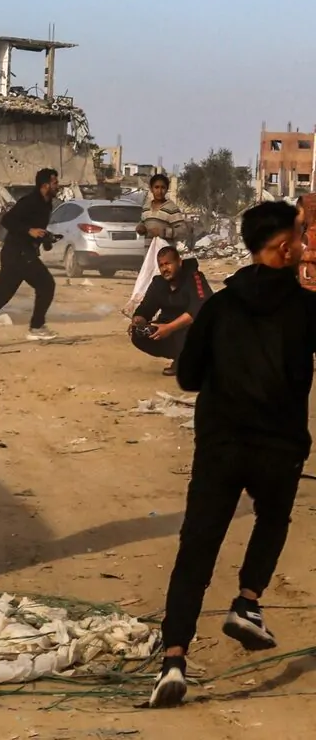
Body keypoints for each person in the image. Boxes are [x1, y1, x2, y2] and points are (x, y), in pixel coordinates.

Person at [149, 201, 316, 709]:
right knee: (272, 519)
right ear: (284, 248)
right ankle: (247, 602)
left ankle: (173, 660)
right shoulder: (308, 308)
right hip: (280, 447)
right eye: (302, 235)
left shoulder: (219, 306)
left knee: (196, 549)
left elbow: (189, 376)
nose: (306, 243)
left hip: (220, 446)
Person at [0, 169, 61, 347]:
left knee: (2, 294)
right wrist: (29, 231)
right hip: (17, 253)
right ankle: (36, 327)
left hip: (23, 253)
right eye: (55, 183)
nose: (58, 186)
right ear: (45, 185)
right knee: (46, 284)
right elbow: (7, 220)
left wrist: (47, 238)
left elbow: (36, 229)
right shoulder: (30, 201)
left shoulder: (46, 204)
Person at [130, 246, 212, 375]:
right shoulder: (158, 283)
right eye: (161, 265)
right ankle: (181, 357)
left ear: (179, 262)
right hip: (170, 329)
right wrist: (138, 320)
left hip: (196, 328)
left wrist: (169, 328)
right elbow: (146, 308)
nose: (165, 269)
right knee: (138, 334)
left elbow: (199, 308)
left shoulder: (194, 278)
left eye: (168, 264)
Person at [130, 174, 188, 313]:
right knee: (149, 282)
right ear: (151, 189)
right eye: (156, 187)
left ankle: (166, 313)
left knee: (165, 282)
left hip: (165, 255)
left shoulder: (171, 208)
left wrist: (163, 232)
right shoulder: (145, 208)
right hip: (148, 254)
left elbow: (182, 230)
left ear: (167, 189)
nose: (159, 191)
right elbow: (142, 224)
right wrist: (140, 228)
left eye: (163, 188)